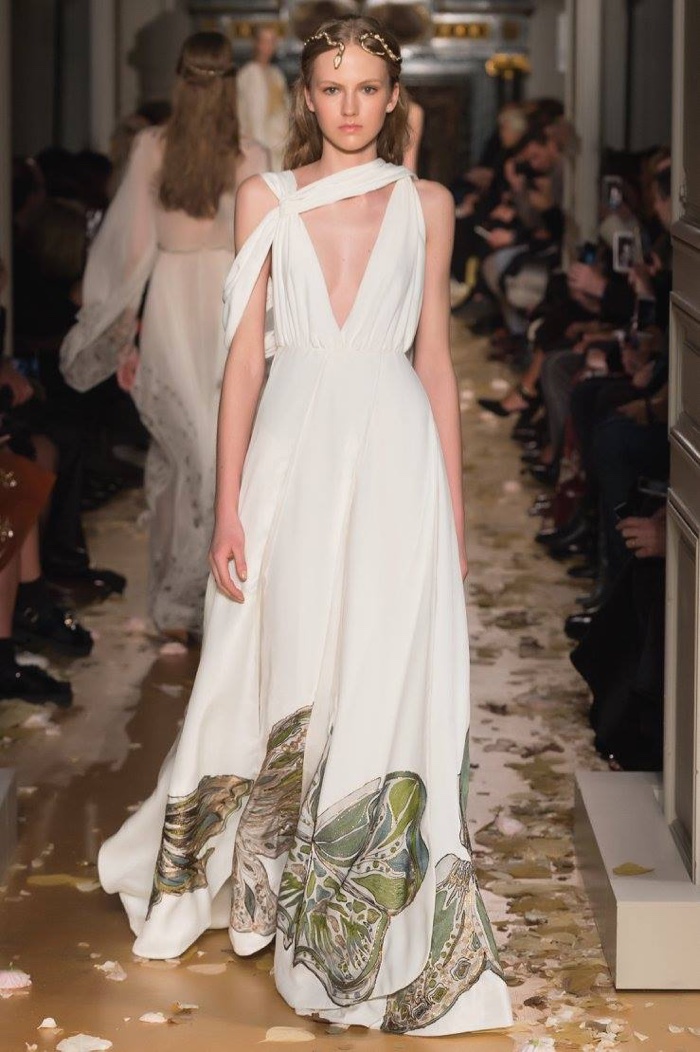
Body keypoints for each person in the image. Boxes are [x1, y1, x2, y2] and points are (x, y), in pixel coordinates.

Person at [97, 15, 512, 1037]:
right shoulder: (263, 199)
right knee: (273, 661)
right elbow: (245, 360)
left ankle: (354, 904)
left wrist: (451, 520)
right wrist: (230, 501)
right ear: (306, 95)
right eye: (331, 87)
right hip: (290, 450)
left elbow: (434, 362)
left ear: (393, 96)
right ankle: (266, 881)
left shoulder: (428, 205)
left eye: (367, 87)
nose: (349, 105)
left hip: (392, 455)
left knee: (374, 661)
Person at [61, 32, 269, 641]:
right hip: (220, 309)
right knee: (208, 456)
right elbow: (267, 256)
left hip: (189, 308)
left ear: (180, 81)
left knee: (194, 459)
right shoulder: (251, 152)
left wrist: (121, 336)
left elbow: (128, 255)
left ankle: (201, 601)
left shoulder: (157, 146)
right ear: (231, 83)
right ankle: (197, 602)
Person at [236, 23, 290, 171]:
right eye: (265, 41)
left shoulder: (276, 73)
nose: (269, 46)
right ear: (257, 44)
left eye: (273, 41)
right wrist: (261, 152)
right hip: (260, 144)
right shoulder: (249, 74)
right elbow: (254, 116)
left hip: (279, 142)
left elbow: (284, 107)